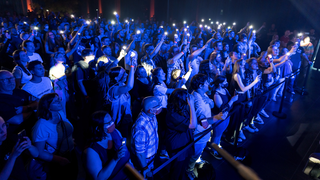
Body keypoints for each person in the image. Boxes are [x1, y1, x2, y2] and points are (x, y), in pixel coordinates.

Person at [187, 74, 229, 179]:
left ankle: (197, 160)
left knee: (199, 151)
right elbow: (204, 122)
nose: (208, 84)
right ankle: (189, 170)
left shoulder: (202, 94)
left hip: (204, 132)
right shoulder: (197, 100)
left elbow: (211, 105)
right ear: (200, 85)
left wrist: (210, 101)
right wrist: (217, 117)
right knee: (195, 154)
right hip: (200, 133)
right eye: (206, 83)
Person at [32, 93, 78, 180]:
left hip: (70, 153)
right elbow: (39, 152)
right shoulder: (41, 126)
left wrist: (69, 140)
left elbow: (66, 129)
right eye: (55, 101)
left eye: (59, 99)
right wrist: (59, 160)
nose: (60, 101)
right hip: (56, 160)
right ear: (47, 106)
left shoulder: (60, 113)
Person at [85, 111, 129, 180]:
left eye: (112, 120)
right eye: (108, 123)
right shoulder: (91, 151)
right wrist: (115, 159)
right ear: (97, 128)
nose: (112, 123)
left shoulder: (115, 132)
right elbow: (98, 178)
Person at [165, 88, 197, 180]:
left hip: (184, 141)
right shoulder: (173, 114)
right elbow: (193, 124)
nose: (189, 99)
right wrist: (191, 105)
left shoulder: (180, 108)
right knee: (176, 170)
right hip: (178, 145)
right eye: (186, 97)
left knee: (182, 168)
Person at [0, 116, 39, 180]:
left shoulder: (12, 139)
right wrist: (13, 156)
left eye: (4, 125)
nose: (3, 131)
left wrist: (30, 146)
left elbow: (36, 154)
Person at [131, 96, 161, 177]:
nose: (160, 106)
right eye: (157, 105)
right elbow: (140, 152)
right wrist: (145, 168)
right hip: (145, 161)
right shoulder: (140, 127)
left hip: (151, 157)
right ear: (150, 110)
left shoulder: (151, 115)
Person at [107, 59, 135, 138]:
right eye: (123, 73)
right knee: (122, 141)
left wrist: (133, 64)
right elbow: (129, 86)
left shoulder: (122, 84)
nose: (126, 74)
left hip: (126, 118)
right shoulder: (114, 89)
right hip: (119, 122)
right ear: (116, 78)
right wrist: (132, 67)